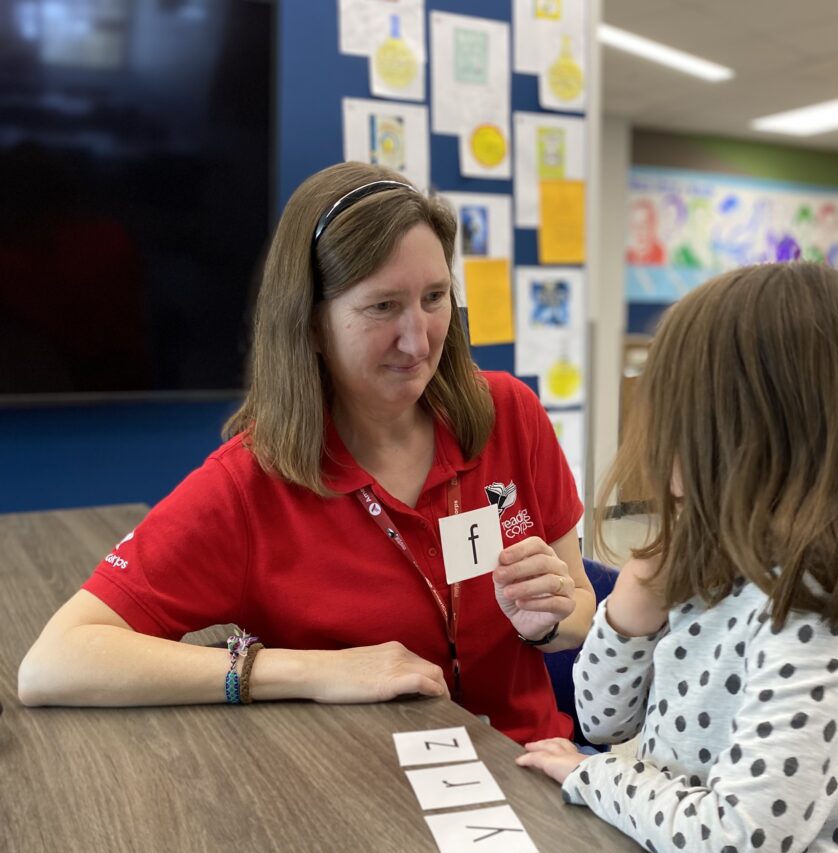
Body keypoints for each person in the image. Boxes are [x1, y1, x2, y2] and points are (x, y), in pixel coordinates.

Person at [18, 161, 596, 744]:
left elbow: (581, 609)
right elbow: (55, 662)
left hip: (531, 772)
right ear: (311, 323)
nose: (419, 340)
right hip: (371, 794)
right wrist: (312, 669)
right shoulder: (249, 484)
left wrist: (547, 626)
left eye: (434, 297)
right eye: (382, 307)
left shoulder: (507, 413)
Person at [516, 261, 838, 853]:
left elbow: (737, 851)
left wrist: (596, 778)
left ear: (766, 433)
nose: (658, 445)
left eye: (682, 417)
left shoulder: (818, 609)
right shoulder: (720, 555)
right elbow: (600, 720)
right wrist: (630, 611)